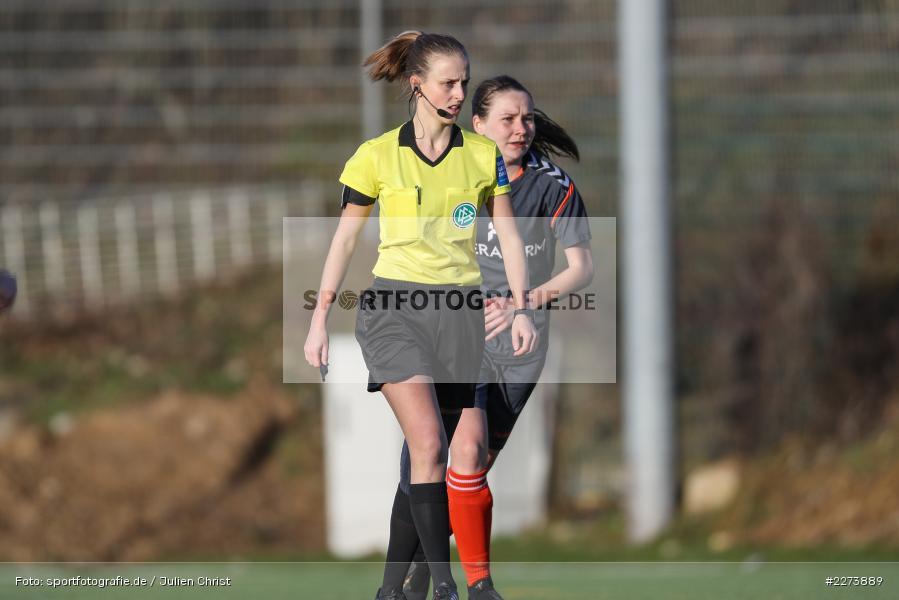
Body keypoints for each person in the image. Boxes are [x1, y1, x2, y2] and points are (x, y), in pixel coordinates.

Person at [303, 34, 538, 600]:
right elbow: (344, 242)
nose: (459, 94)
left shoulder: (481, 156)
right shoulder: (375, 155)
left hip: (458, 317)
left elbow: (509, 237)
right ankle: (444, 584)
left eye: (464, 82)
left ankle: (391, 589)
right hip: (395, 312)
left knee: (432, 456)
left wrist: (522, 307)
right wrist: (318, 318)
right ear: (417, 85)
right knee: (429, 443)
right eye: (448, 83)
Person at [397, 75, 594, 600]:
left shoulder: (553, 186)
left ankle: (419, 567)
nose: (520, 128)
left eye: (526, 118)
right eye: (507, 119)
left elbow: (581, 269)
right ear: (478, 124)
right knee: (464, 448)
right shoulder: (455, 174)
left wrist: (523, 305)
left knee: (471, 467)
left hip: (523, 347)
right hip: (461, 338)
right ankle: (478, 585)